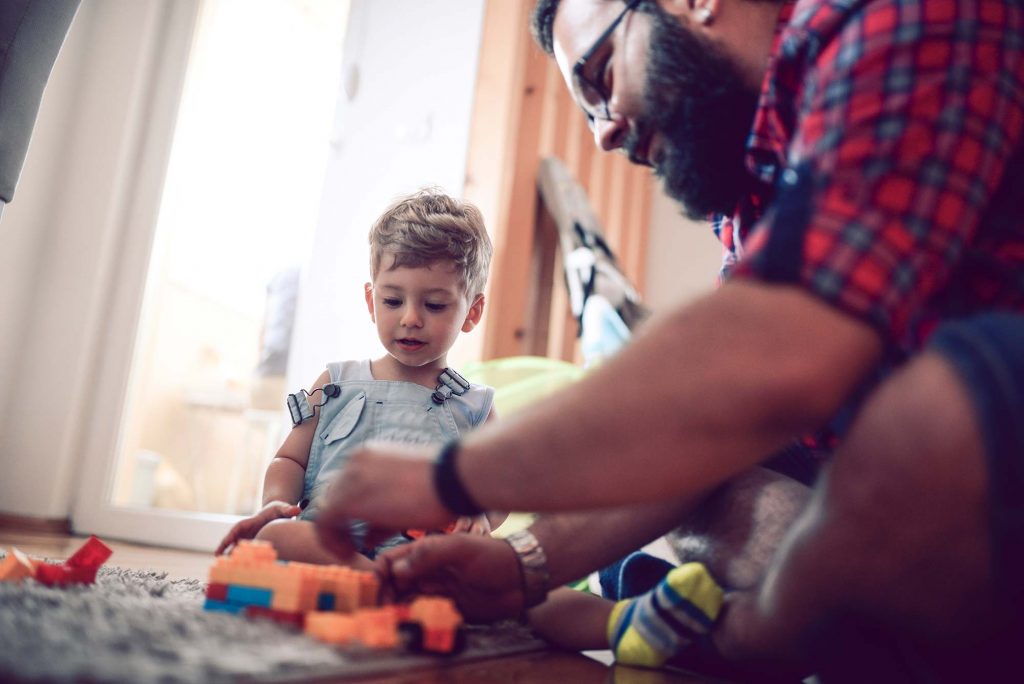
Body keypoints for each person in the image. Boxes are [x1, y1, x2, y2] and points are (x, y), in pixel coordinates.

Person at [312, 0, 1024, 679]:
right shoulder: (753, 196)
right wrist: (527, 564)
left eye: (599, 77)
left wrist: (450, 475)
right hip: (875, 501)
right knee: (681, 470)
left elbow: (778, 359)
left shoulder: (902, 19)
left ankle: (751, 634)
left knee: (931, 408)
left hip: (974, 461)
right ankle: (821, 618)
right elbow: (714, 419)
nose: (602, 133)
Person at [215, 189, 499, 569]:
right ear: (371, 301)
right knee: (276, 537)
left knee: (498, 568)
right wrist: (275, 505)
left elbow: (500, 487)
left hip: (424, 554)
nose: (410, 318)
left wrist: (480, 518)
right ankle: (380, 581)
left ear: (473, 311)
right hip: (331, 545)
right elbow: (290, 459)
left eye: (434, 305)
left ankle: (387, 581)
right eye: (393, 301)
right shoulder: (334, 383)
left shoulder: (474, 406)